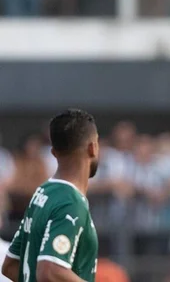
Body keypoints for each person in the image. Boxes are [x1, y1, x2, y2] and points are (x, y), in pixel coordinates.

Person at [1, 109, 100, 282]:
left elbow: (10, 266)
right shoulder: (71, 203)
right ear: (92, 148)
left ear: (53, 152)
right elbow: (50, 270)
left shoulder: (42, 193)